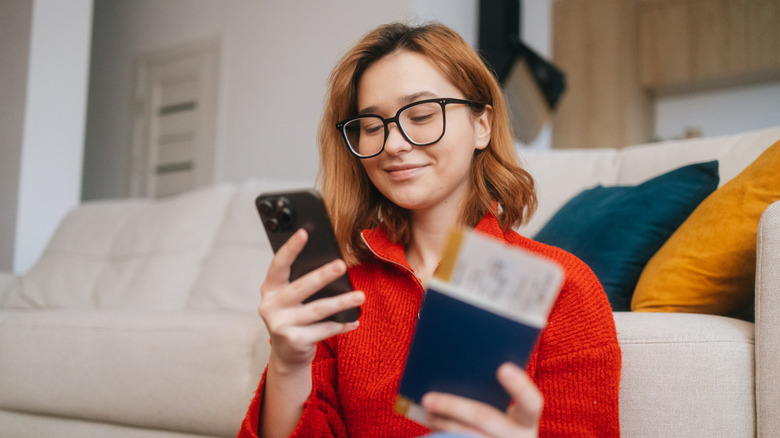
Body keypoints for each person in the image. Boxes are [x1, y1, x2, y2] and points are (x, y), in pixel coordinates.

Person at [239, 22, 621, 438]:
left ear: (482, 125)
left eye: (421, 115)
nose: (392, 144)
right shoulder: (342, 292)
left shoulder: (566, 287)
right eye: (371, 126)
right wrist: (287, 363)